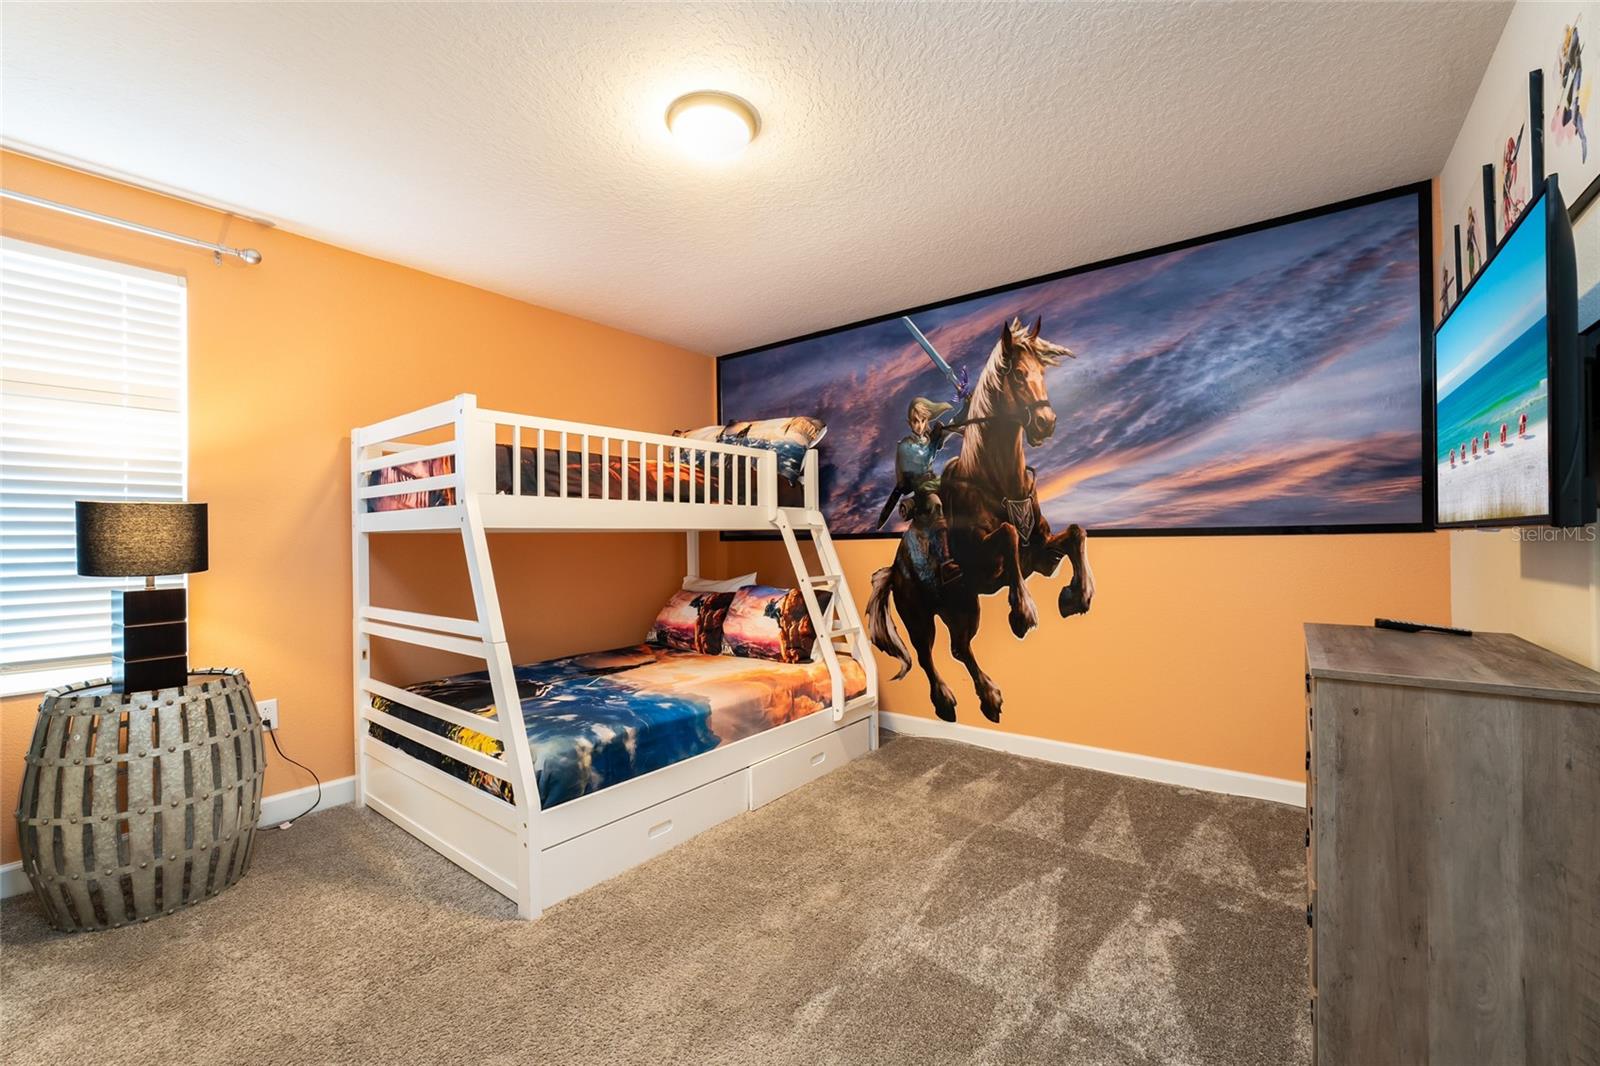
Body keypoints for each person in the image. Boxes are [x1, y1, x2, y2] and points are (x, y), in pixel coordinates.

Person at [877, 396, 966, 585]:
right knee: (936, 504)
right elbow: (920, 460)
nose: (919, 425)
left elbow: (955, 423)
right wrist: (936, 436)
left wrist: (967, 404)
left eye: (923, 420)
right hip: (920, 489)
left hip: (935, 482)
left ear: (927, 420)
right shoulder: (905, 446)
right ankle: (945, 562)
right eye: (915, 421)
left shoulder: (930, 439)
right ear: (909, 422)